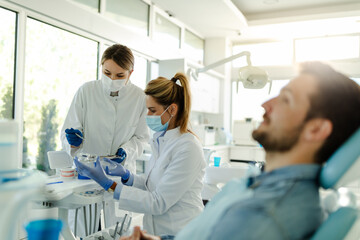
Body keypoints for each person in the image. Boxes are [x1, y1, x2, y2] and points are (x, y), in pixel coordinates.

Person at [120, 61, 360, 240]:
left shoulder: (264, 213)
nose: (265, 105)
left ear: (316, 129)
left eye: (285, 100)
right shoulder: (271, 189)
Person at [74, 72, 206, 236]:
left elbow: (158, 202)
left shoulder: (188, 147)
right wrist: (127, 176)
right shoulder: (162, 140)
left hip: (180, 232)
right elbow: (153, 186)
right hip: (157, 232)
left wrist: (109, 184)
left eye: (152, 110)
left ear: (172, 109)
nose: (147, 116)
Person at [60, 44, 149, 236]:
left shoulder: (140, 98)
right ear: (101, 67)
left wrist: (127, 151)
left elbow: (142, 138)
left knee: (121, 232)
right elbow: (68, 132)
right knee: (82, 232)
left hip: (120, 177)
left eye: (119, 76)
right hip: (87, 176)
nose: (112, 80)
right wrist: (73, 141)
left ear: (130, 73)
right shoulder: (86, 91)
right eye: (107, 73)